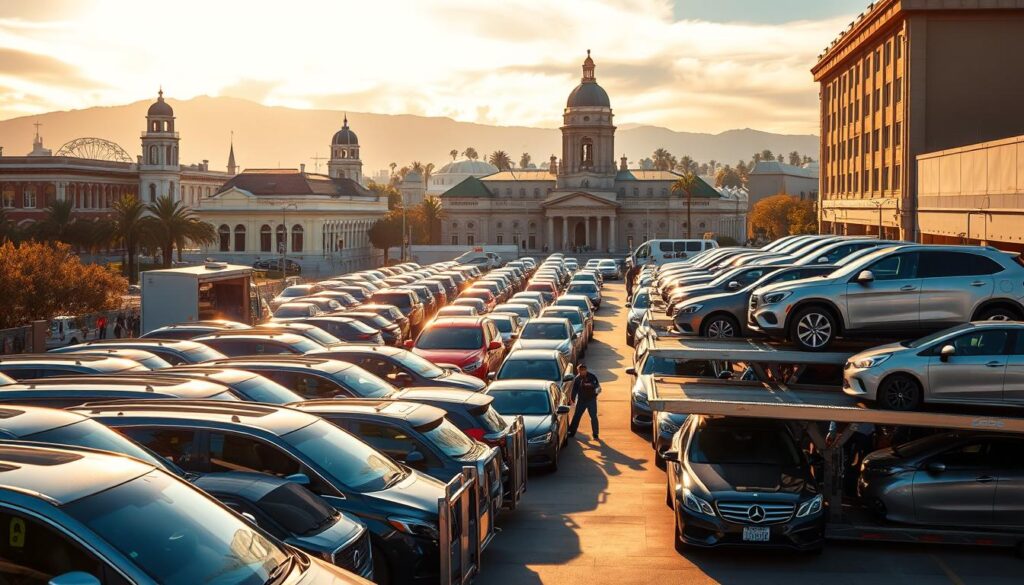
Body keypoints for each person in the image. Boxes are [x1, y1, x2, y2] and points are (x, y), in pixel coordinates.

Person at [568, 363, 601, 440]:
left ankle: (595, 433)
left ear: (586, 370)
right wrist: (572, 399)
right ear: (578, 371)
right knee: (576, 416)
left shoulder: (592, 377)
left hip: (591, 400)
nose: (582, 372)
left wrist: (594, 395)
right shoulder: (577, 379)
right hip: (581, 401)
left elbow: (598, 388)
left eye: (583, 370)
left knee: (593, 417)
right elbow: (574, 390)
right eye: (580, 371)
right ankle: (571, 432)